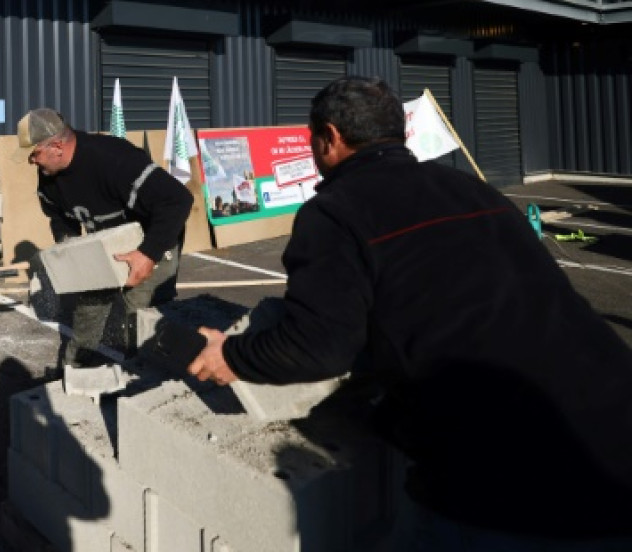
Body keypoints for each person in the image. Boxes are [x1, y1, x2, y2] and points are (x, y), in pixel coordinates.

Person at [187, 77, 632, 549]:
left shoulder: (336, 212)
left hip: (505, 480)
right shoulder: (476, 192)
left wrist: (232, 355)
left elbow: (317, 347)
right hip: (613, 433)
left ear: (330, 138)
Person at [17, 107, 193, 367]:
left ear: (56, 146)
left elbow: (178, 200)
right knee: (88, 306)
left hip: (153, 237)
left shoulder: (115, 159)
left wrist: (148, 254)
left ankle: (143, 379)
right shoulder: (49, 175)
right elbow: (59, 216)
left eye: (34, 154)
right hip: (106, 241)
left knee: (140, 316)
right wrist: (69, 249)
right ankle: (76, 367)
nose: (32, 161)